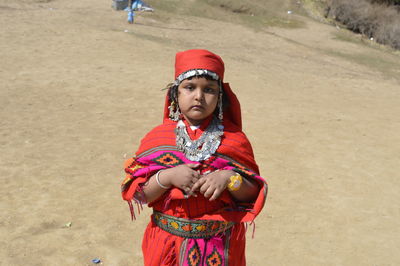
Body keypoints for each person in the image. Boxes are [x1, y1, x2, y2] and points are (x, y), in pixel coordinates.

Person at [121, 49, 268, 265]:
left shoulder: (236, 140)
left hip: (221, 248)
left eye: (209, 90)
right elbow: (139, 196)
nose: (199, 96)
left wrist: (230, 179)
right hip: (166, 247)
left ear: (219, 98)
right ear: (175, 94)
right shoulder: (157, 138)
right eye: (189, 87)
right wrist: (166, 177)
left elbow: (252, 195)